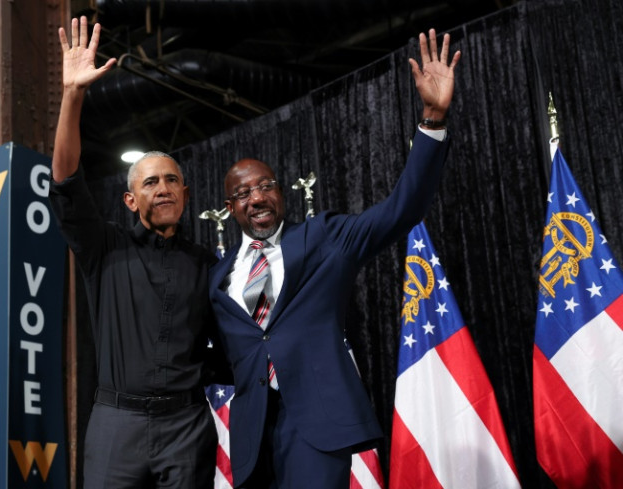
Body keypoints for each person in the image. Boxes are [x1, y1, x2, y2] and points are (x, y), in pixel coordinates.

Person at [209, 29, 461, 488]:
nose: (257, 197)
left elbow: (402, 208)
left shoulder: (325, 237)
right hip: (251, 436)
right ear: (230, 208)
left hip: (317, 426)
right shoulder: (218, 279)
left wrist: (432, 118)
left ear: (280, 194)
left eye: (265, 186)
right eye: (243, 193)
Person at [49, 16, 225, 488]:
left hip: (187, 427)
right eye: (150, 182)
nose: (163, 189)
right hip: (115, 426)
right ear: (131, 200)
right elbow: (65, 180)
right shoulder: (103, 247)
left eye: (172, 180)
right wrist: (72, 95)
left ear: (186, 194)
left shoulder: (209, 266)